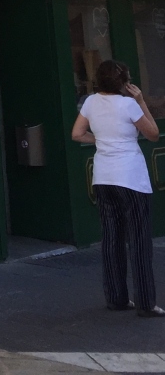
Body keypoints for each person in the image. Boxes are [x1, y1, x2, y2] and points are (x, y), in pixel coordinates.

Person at [71, 58, 162, 317]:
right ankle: (145, 302)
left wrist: (101, 140)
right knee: (139, 241)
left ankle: (116, 298)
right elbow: (153, 133)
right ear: (123, 82)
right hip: (130, 178)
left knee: (112, 239)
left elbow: (77, 134)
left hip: (103, 176)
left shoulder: (90, 102)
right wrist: (141, 102)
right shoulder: (128, 105)